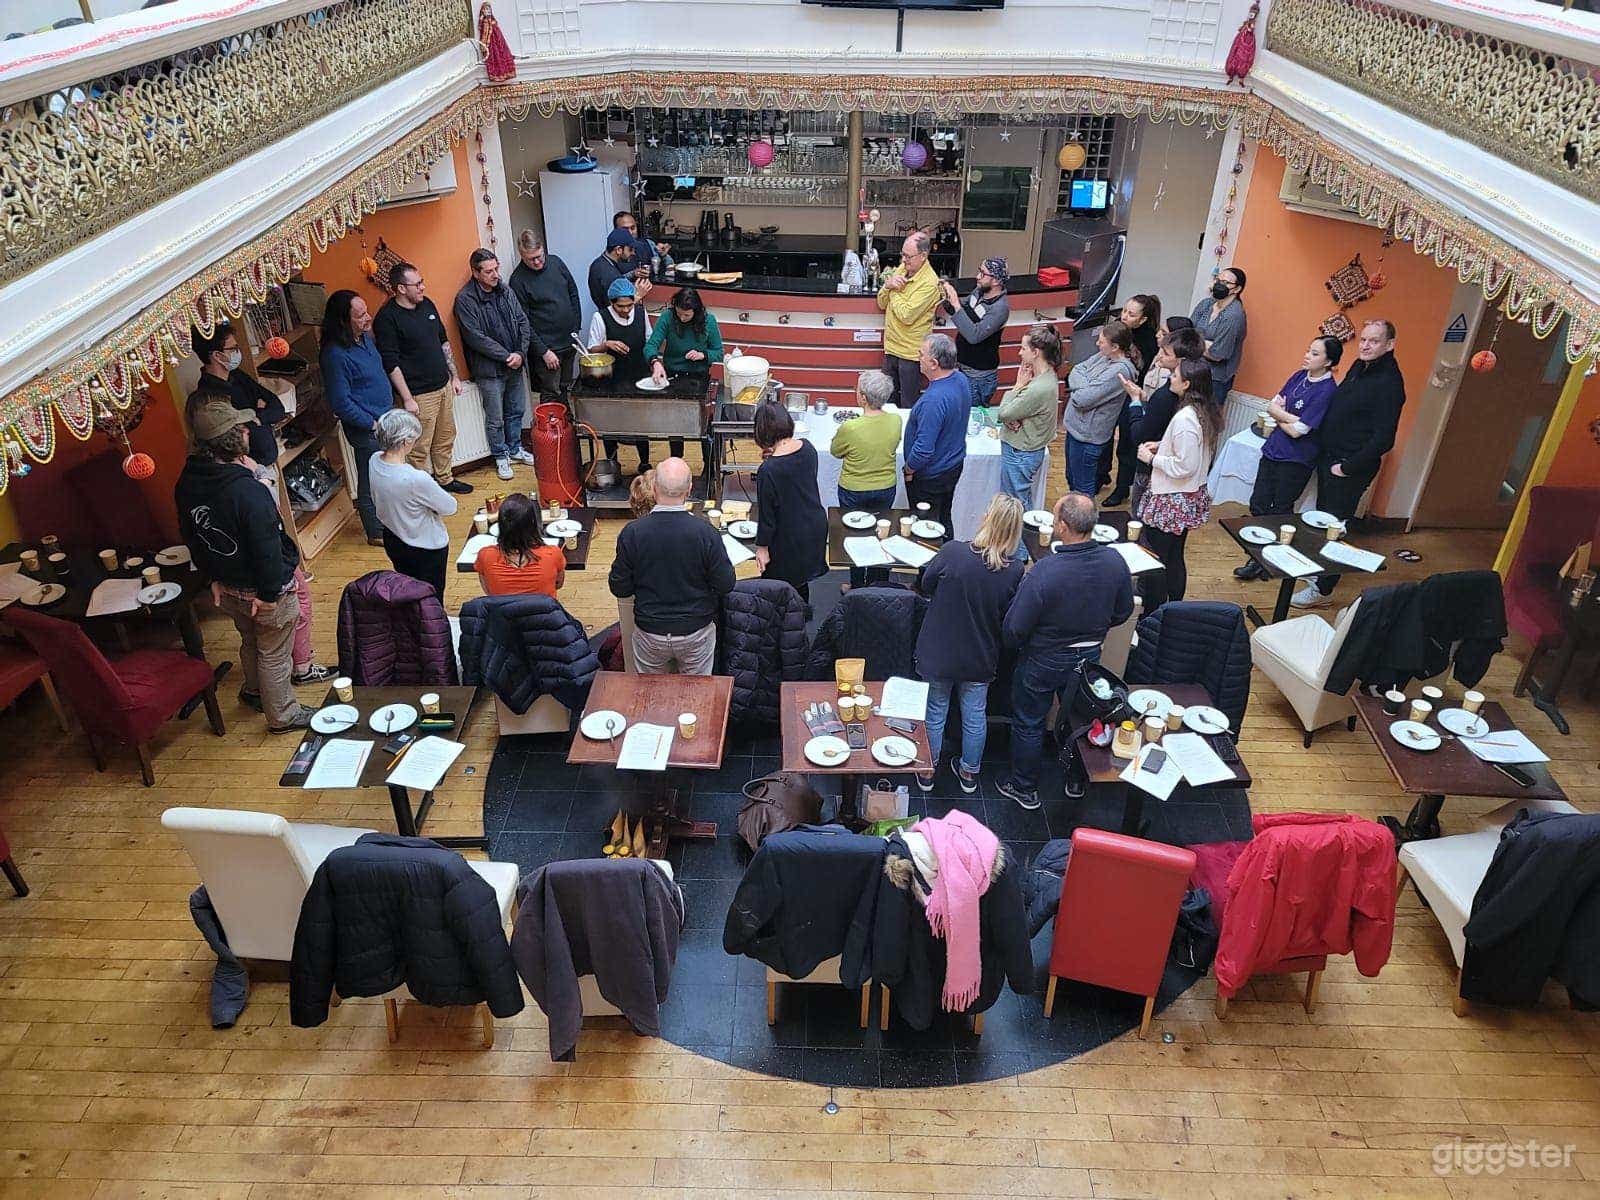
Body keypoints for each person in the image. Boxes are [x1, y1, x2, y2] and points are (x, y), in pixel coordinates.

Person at [175, 401, 313, 733]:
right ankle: (283, 714)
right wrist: (269, 594)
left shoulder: (186, 484)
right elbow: (266, 549)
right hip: (263, 591)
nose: (247, 430)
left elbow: (192, 537)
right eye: (241, 428)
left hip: (227, 586)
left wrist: (213, 579)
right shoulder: (248, 492)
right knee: (274, 651)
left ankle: (254, 691)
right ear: (231, 440)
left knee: (251, 641)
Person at [995, 493, 1134, 811]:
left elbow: (1014, 629)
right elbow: (1123, 611)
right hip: (1089, 659)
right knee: (1081, 720)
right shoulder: (1114, 562)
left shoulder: (1046, 572)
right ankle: (1075, 780)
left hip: (1043, 659)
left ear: (1063, 525)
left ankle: (1024, 786)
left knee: (1029, 720)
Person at [913, 494, 1026, 796]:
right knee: (975, 713)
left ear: (988, 519)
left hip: (940, 651)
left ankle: (928, 771)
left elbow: (926, 584)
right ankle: (969, 773)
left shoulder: (953, 552)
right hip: (980, 653)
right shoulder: (1014, 570)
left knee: (935, 711)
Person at [1295, 319, 1406, 608]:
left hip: (1347, 467)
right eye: (1364, 340)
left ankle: (1322, 589)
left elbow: (1384, 439)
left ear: (1390, 345)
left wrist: (1347, 467)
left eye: (1375, 341)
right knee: (1322, 519)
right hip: (1329, 458)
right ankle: (1316, 573)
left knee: (1335, 527)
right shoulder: (1360, 367)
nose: (1366, 345)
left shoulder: (1390, 383)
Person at [608, 457, 736, 675]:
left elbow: (619, 587)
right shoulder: (706, 533)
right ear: (689, 489)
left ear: (655, 487)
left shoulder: (632, 533)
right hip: (696, 632)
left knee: (650, 696)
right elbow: (725, 584)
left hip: (650, 633)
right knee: (696, 696)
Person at [1235, 335, 1343, 581]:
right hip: (1273, 450)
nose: (1307, 355)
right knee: (1259, 503)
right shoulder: (1298, 376)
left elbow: (1299, 431)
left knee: (1280, 510)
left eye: (1315, 353)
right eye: (1309, 350)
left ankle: (1270, 561)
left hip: (1296, 460)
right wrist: (1291, 418)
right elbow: (1271, 407)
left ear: (1328, 362)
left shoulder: (1327, 391)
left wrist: (1284, 417)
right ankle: (1258, 556)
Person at [373, 262, 470, 496]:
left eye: (421, 282)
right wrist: (407, 398)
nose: (422, 287)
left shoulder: (427, 304)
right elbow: (391, 362)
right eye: (416, 284)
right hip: (419, 394)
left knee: (446, 437)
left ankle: (445, 480)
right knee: (418, 446)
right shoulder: (387, 318)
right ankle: (421, 491)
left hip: (443, 385)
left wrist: (454, 376)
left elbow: (443, 341)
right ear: (401, 289)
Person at [1137, 358, 1221, 610]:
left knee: (1158, 558)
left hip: (1172, 498)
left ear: (1186, 384)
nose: (1170, 377)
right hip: (1186, 496)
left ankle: (1153, 611)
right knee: (1174, 556)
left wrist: (1152, 458)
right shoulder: (1203, 411)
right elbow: (1189, 453)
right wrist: (1162, 446)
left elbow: (1185, 466)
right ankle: (1172, 606)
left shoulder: (1185, 419)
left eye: (1174, 374)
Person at [318, 290, 394, 545]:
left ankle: (388, 522)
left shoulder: (363, 339)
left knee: (385, 477)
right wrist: (371, 424)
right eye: (361, 315)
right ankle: (375, 531)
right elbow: (341, 402)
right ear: (343, 320)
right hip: (368, 429)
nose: (368, 318)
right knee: (370, 478)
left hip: (384, 420)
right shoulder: (334, 355)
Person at [453, 248, 534, 482]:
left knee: (516, 411)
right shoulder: (465, 300)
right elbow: (475, 337)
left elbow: (522, 321)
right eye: (489, 271)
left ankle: (515, 448)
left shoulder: (505, 290)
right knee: (495, 418)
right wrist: (507, 356)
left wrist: (520, 352)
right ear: (475, 273)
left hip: (514, 365)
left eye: (496, 269)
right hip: (489, 371)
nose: (495, 275)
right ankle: (500, 456)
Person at [368, 408, 458, 600]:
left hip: (393, 538)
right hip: (425, 547)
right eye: (414, 438)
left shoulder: (374, 460)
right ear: (405, 441)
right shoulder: (414, 478)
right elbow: (450, 506)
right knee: (431, 599)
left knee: (408, 592)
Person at [752, 401, 828, 608]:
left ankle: (784, 626)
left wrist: (762, 548)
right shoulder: (808, 448)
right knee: (801, 580)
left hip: (788, 535)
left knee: (778, 587)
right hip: (814, 526)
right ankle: (802, 614)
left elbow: (767, 517)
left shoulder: (768, 471)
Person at [189, 322, 284, 486]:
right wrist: (258, 412)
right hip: (246, 471)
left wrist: (258, 417)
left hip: (268, 462)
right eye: (232, 349)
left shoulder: (237, 376)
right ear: (217, 355)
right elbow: (231, 439)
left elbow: (277, 407)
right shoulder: (209, 397)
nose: (237, 352)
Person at [1127, 322, 1203, 518]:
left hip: (1154, 470)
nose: (1160, 355)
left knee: (1140, 519)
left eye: (1166, 353)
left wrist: (1136, 403)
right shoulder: (1196, 394)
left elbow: (1140, 435)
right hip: (1167, 471)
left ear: (1182, 361)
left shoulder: (1167, 396)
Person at [902, 333, 969, 536]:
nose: (917, 357)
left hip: (931, 476)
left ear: (933, 363)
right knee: (943, 517)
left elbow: (923, 449)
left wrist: (909, 469)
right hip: (952, 465)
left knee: (926, 531)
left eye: (921, 354)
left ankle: (930, 568)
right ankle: (947, 564)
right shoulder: (960, 379)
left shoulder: (934, 400)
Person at [645, 286, 724, 460]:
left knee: (703, 425)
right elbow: (651, 345)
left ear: (696, 311)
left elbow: (719, 352)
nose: (682, 317)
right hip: (673, 376)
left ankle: (708, 466)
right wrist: (655, 362)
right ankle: (676, 461)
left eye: (687, 315)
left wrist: (703, 355)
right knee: (675, 425)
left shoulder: (709, 321)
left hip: (699, 377)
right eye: (679, 313)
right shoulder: (667, 317)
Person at [1062, 320, 1137, 496]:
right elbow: (1076, 370)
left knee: (1083, 488)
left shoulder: (1121, 371)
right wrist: (1086, 383)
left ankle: (1083, 520)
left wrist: (1081, 385)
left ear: (1115, 347)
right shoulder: (1103, 356)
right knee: (1072, 479)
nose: (1097, 344)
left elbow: (1082, 399)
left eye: (1102, 342)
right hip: (1075, 429)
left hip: (1088, 437)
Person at [508, 231, 582, 408]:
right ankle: (553, 431)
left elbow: (573, 292)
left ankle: (567, 426)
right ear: (522, 255)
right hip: (547, 349)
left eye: (539, 256)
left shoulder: (556, 262)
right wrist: (543, 351)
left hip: (569, 340)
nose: (537, 262)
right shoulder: (518, 280)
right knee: (551, 391)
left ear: (543, 248)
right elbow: (523, 322)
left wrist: (576, 326)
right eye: (530, 259)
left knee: (566, 386)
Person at [586, 277, 653, 469]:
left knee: (641, 421)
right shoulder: (601, 317)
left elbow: (649, 339)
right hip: (613, 376)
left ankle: (644, 462)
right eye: (620, 306)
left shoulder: (640, 312)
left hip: (639, 373)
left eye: (629, 305)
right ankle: (613, 462)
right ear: (612, 302)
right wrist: (607, 344)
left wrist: (655, 361)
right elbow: (591, 349)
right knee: (612, 421)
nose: (625, 310)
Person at [994, 323, 1061, 510]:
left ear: (1036, 352)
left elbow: (1003, 413)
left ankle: (1020, 540)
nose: (1019, 353)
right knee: (1020, 499)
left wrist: (1017, 386)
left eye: (1023, 348)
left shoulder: (1038, 387)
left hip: (1020, 452)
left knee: (1015, 504)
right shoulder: (1045, 377)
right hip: (1025, 448)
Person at [1104, 293, 1162, 504]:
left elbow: (1140, 371)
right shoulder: (1120, 329)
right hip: (1114, 392)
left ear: (1143, 319)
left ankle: (1122, 488)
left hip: (1133, 395)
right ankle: (1102, 474)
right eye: (1124, 311)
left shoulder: (1148, 342)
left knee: (1127, 444)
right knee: (1105, 434)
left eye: (1131, 314)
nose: (1124, 316)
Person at [876, 231, 941, 406]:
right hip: (891, 349)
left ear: (923, 256)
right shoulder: (904, 268)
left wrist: (893, 290)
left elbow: (906, 315)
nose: (904, 260)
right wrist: (887, 286)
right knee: (886, 400)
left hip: (911, 356)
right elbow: (882, 303)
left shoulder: (930, 283)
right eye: (902, 255)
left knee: (908, 404)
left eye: (908, 256)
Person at [939, 257, 1010, 406]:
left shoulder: (1000, 309)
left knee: (971, 418)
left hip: (979, 376)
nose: (978, 277)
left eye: (983, 274)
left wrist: (956, 305)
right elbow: (963, 309)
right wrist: (947, 296)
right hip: (963, 365)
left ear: (996, 280)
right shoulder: (979, 291)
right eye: (979, 271)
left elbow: (974, 335)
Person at [830, 369, 902, 512]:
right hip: (886, 487)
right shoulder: (896, 420)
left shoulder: (850, 427)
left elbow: (835, 451)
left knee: (851, 530)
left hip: (853, 489)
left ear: (863, 398)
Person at [474, 491, 565, 597]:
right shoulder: (552, 553)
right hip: (544, 612)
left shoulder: (485, 556)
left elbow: (488, 590)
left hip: (502, 613)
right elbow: (558, 584)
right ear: (533, 523)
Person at [1189, 266, 1248, 403]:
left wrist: (1195, 343)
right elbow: (1186, 335)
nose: (1220, 285)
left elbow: (1217, 354)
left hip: (1214, 379)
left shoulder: (1233, 315)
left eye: (1226, 283)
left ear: (1237, 289)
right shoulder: (1206, 304)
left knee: (1206, 419)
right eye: (1218, 280)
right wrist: (1207, 344)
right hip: (1192, 369)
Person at [587, 227, 639, 315]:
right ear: (619, 250)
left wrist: (633, 274)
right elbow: (621, 310)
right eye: (630, 249)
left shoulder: (597, 263)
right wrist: (638, 294)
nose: (633, 253)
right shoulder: (611, 275)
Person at [612, 211, 662, 291]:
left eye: (633, 228)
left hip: (653, 294)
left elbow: (668, 268)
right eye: (625, 229)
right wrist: (632, 274)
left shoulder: (648, 244)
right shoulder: (612, 253)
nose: (630, 233)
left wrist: (664, 255)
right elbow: (611, 282)